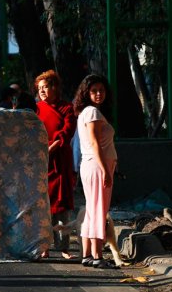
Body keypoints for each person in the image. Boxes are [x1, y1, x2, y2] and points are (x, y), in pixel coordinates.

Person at [73, 74, 118, 269]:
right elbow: (94, 143)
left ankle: (88, 254)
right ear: (86, 93)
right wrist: (105, 170)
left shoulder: (87, 112)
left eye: (102, 90)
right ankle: (98, 256)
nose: (99, 94)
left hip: (92, 165)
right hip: (97, 166)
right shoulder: (92, 113)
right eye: (94, 91)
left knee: (92, 210)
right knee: (99, 211)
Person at [35, 70, 77, 259]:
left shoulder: (67, 108)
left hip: (60, 160)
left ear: (54, 88)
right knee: (43, 205)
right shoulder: (36, 109)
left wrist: (53, 146)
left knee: (62, 206)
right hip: (42, 160)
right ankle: (44, 246)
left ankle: (64, 247)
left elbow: (67, 131)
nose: (42, 91)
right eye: (39, 88)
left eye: (45, 87)